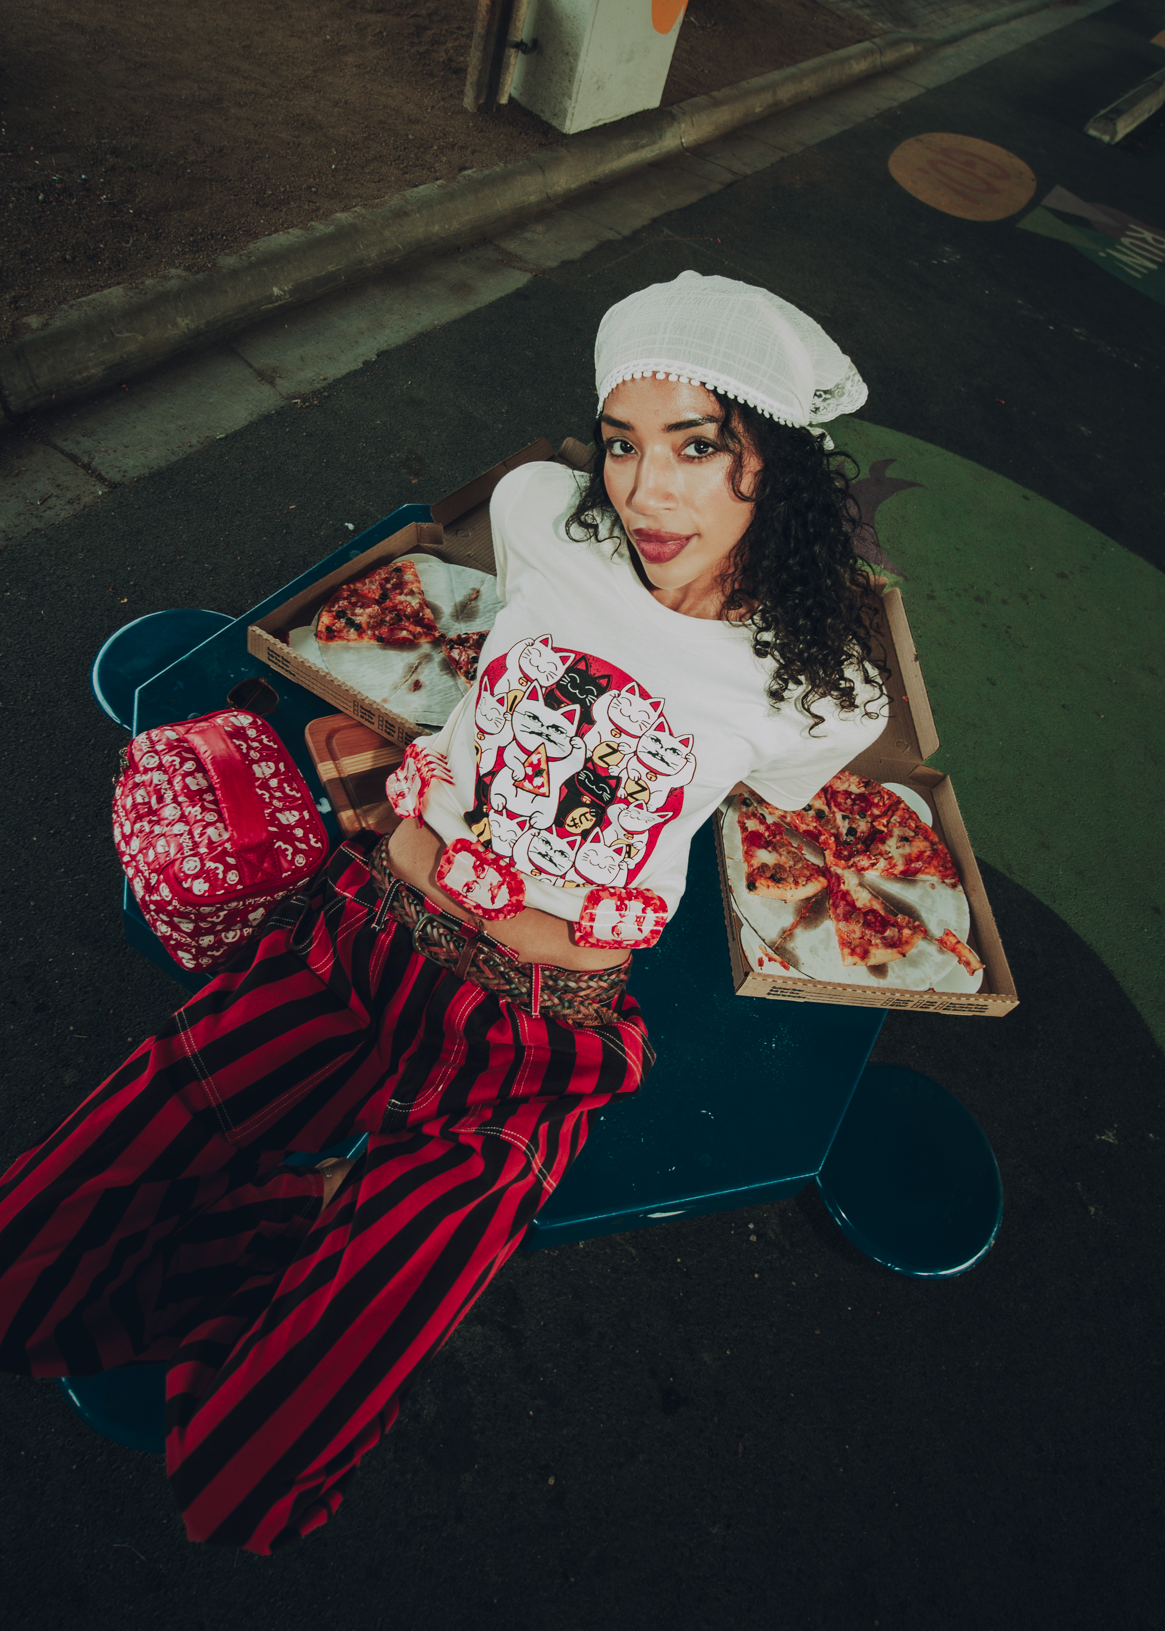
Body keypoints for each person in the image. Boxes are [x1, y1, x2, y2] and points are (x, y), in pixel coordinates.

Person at [0, 271, 887, 1554]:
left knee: (248, 1482)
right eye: (625, 441)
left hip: (532, 1038)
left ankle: (323, 1215)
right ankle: (302, 1211)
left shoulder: (827, 692)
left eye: (701, 445)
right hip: (358, 939)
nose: (646, 491)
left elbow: (755, 788)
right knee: (21, 1273)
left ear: (782, 464)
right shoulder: (541, 516)